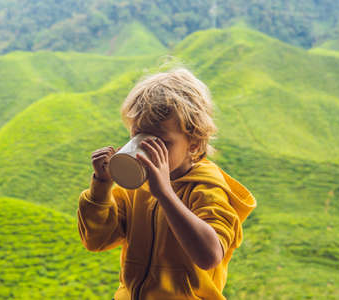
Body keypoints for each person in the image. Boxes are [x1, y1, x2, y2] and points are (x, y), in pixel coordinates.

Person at [77, 67, 256, 300]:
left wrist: (165, 194)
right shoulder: (135, 186)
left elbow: (209, 256)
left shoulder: (207, 189)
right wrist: (101, 186)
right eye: (139, 137)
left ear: (193, 143)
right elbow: (96, 240)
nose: (148, 150)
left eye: (161, 142)